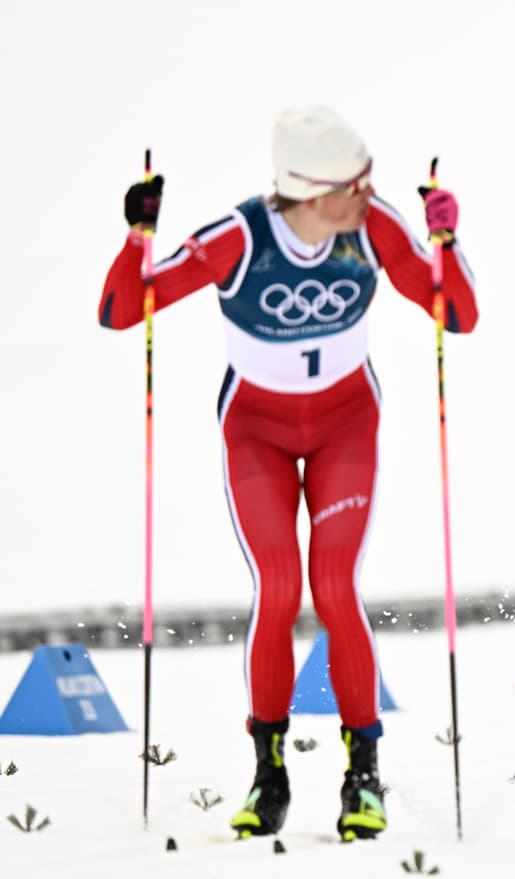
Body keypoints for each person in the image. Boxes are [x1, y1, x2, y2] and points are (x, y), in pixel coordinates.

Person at [99, 106, 478, 839]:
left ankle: (361, 772)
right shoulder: (237, 238)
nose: (371, 196)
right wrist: (137, 234)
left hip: (345, 425)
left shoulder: (374, 229)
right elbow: (123, 308)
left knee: (334, 585)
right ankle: (268, 772)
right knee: (278, 587)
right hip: (258, 433)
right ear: (310, 190)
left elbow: (455, 314)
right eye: (355, 186)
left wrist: (446, 239)